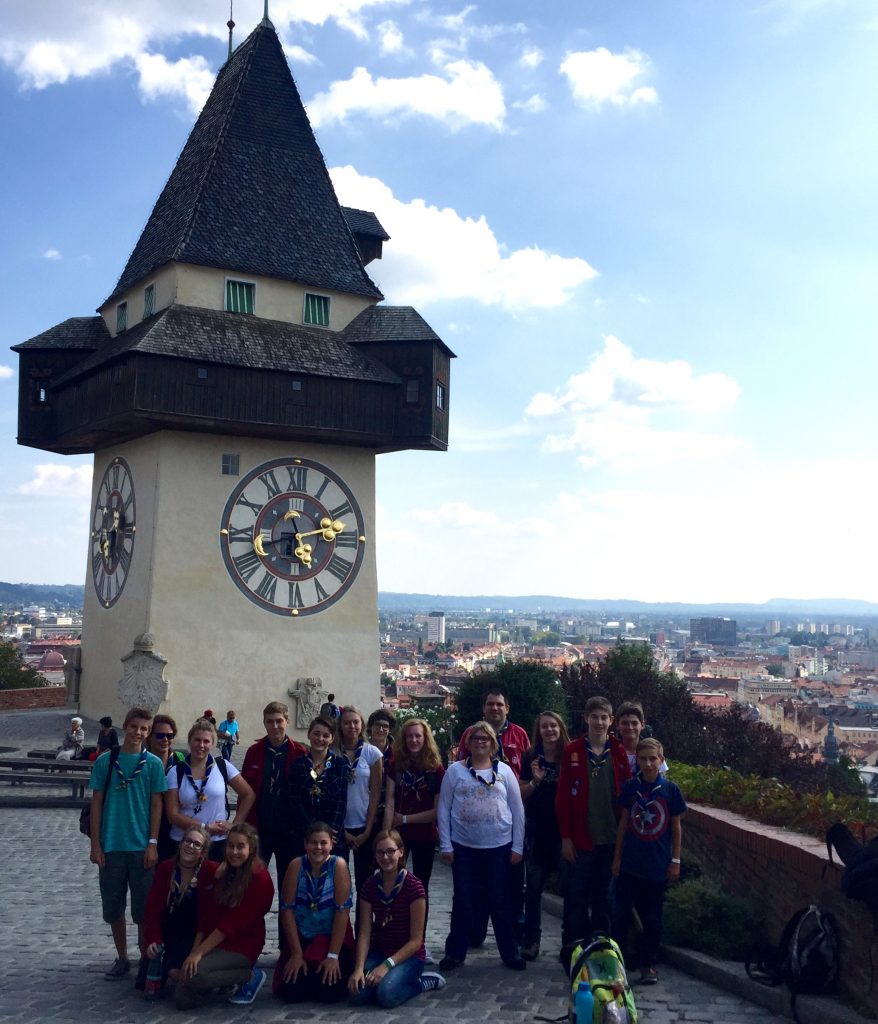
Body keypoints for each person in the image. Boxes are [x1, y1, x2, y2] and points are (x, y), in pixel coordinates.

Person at [437, 721, 526, 972]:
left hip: (499, 846)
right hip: (464, 847)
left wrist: (518, 847)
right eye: (475, 738)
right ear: (468, 742)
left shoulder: (505, 771)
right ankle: (455, 952)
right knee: (463, 899)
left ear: (493, 744)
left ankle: (509, 952)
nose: (480, 742)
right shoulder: (455, 771)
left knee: (500, 900)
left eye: (485, 738)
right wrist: (445, 844)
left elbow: (517, 809)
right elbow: (443, 808)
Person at [88, 706, 168, 981]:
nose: (138, 733)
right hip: (111, 845)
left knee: (144, 910)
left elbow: (157, 805)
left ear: (148, 733)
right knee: (113, 907)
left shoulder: (153, 764)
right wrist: (96, 844)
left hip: (141, 846)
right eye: (134, 727)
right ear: (125, 727)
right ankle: (122, 957)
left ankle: (145, 958)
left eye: (144, 729)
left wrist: (153, 842)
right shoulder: (106, 761)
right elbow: (96, 803)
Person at [456, 689, 530, 947]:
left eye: (499, 704)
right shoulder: (470, 733)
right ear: (484, 708)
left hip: (510, 818)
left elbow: (526, 771)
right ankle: (476, 931)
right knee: (477, 886)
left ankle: (514, 934)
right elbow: (461, 769)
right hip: (476, 827)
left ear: (507, 708)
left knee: (511, 883)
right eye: (490, 704)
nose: (495, 708)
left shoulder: (519, 734)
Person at [556, 696, 631, 948]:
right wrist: (566, 837)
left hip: (610, 839)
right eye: (594, 717)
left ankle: (603, 950)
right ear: (586, 718)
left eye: (604, 718)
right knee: (576, 898)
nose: (599, 722)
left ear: (611, 721)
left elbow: (626, 795)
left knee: (604, 900)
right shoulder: (573, 751)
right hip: (581, 840)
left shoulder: (618, 751)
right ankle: (573, 949)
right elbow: (563, 798)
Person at [174, 823, 274, 1009]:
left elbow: (231, 925)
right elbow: (208, 916)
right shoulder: (222, 872)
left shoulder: (260, 880)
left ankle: (248, 976)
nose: (234, 852)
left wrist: (198, 954)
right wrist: (194, 952)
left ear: (251, 849)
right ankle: (216, 982)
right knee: (182, 997)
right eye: (230, 846)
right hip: (216, 941)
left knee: (194, 975)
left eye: (240, 847)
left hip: (242, 944)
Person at [612, 738, 686, 984]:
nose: (648, 764)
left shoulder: (670, 790)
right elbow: (624, 822)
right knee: (621, 916)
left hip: (657, 864)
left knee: (652, 919)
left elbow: (675, 827)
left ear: (661, 760)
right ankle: (619, 962)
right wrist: (617, 858)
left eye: (653, 759)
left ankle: (648, 963)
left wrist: (675, 859)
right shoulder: (631, 787)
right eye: (643, 759)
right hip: (631, 863)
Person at [348, 829, 445, 1007]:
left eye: (390, 851)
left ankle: (420, 983)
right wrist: (359, 968)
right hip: (380, 951)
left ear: (401, 852)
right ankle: (386, 980)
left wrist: (386, 965)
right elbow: (364, 933)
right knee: (357, 994)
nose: (385, 857)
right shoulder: (370, 886)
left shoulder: (414, 887)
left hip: (409, 956)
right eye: (380, 852)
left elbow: (416, 941)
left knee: (387, 994)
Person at [274, 821, 355, 1003]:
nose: (318, 847)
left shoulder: (338, 866)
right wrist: (296, 953)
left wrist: (333, 956)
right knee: (291, 991)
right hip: (303, 936)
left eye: (323, 843)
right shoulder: (296, 865)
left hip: (332, 938)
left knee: (330, 992)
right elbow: (287, 909)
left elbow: (342, 912)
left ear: (331, 844)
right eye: (313, 843)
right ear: (305, 844)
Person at [166, 718, 255, 862]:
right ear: (190, 741)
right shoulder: (176, 772)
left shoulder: (223, 766)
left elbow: (248, 794)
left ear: (212, 744)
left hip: (216, 842)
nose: (201, 745)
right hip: (184, 841)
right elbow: (173, 815)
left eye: (206, 741)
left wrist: (234, 825)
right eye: (197, 740)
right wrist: (205, 827)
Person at [520, 710, 570, 961]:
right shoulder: (531, 757)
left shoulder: (571, 755)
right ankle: (532, 940)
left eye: (553, 726)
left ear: (560, 728)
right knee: (533, 889)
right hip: (538, 830)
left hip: (564, 831)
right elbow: (521, 794)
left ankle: (569, 942)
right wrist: (536, 781)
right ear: (538, 731)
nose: (549, 730)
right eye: (544, 726)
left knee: (570, 889)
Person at [142, 824, 217, 995]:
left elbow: (208, 915)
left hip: (191, 935)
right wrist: (153, 939)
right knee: (144, 983)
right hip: (167, 931)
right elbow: (153, 909)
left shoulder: (209, 871)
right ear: (181, 843)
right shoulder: (166, 868)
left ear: (203, 852)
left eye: (197, 844)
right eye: (187, 841)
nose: (190, 846)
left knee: (175, 972)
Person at [240, 701, 307, 886]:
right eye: (270, 721)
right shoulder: (254, 752)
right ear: (264, 723)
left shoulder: (300, 752)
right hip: (260, 829)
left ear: (287, 721)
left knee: (289, 883)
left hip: (289, 831)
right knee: (253, 879)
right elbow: (245, 791)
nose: (275, 726)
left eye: (279, 721)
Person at [384, 718, 445, 899]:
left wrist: (404, 819)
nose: (413, 740)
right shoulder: (396, 765)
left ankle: (419, 919)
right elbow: (389, 801)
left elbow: (436, 811)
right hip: (399, 835)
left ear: (425, 739)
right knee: (392, 880)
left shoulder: (435, 769)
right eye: (409, 736)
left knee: (420, 885)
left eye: (418, 736)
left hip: (425, 834)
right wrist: (385, 835)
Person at [337, 706, 382, 893]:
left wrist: (368, 830)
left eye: (355, 722)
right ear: (340, 726)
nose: (352, 726)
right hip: (339, 826)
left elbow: (375, 793)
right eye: (347, 723)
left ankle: (364, 914)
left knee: (365, 883)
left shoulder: (372, 753)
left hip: (364, 824)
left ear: (362, 724)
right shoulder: (333, 752)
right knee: (339, 882)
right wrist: (342, 830)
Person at [289, 717, 349, 856]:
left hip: (332, 838)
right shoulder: (298, 764)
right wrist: (311, 832)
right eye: (316, 734)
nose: (320, 739)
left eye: (326, 735)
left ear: (332, 738)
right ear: (309, 734)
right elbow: (295, 801)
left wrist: (329, 833)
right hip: (304, 836)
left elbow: (341, 802)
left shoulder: (340, 765)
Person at [146, 715, 185, 862]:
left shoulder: (180, 761)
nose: (165, 740)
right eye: (160, 735)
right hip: (147, 826)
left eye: (169, 736)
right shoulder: (142, 762)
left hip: (174, 829)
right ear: (149, 737)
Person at [615, 702, 667, 775]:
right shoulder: (611, 751)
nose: (630, 727)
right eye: (625, 723)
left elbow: (661, 779)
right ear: (617, 725)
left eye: (634, 723)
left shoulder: (653, 750)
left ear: (642, 725)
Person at [367, 708, 396, 840]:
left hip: (390, 811)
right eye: (377, 725)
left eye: (385, 726)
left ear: (389, 729)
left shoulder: (396, 753)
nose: (381, 729)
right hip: (366, 810)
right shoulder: (362, 750)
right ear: (370, 727)